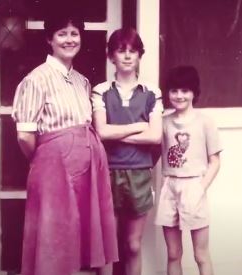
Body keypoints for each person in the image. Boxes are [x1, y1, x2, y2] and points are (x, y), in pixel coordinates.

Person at [11, 10, 118, 275]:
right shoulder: (37, 79)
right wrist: (47, 161)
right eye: (62, 34)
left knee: (83, 240)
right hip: (53, 170)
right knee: (55, 242)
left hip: (87, 170)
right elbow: (25, 135)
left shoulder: (82, 81)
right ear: (49, 39)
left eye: (74, 33)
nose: (69, 39)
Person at [91, 28, 163, 275]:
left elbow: (155, 136)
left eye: (133, 51)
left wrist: (118, 134)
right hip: (107, 173)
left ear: (140, 55)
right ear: (111, 56)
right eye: (121, 51)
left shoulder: (152, 92)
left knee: (132, 246)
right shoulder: (101, 90)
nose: (127, 56)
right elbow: (100, 132)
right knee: (107, 247)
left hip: (140, 174)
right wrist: (138, 127)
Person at [155, 65, 222, 275]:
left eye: (184, 90)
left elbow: (215, 161)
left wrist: (200, 188)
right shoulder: (163, 122)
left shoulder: (205, 122)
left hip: (194, 186)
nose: (179, 95)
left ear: (194, 92)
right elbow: (152, 153)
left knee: (200, 254)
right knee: (174, 254)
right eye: (174, 90)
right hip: (170, 187)